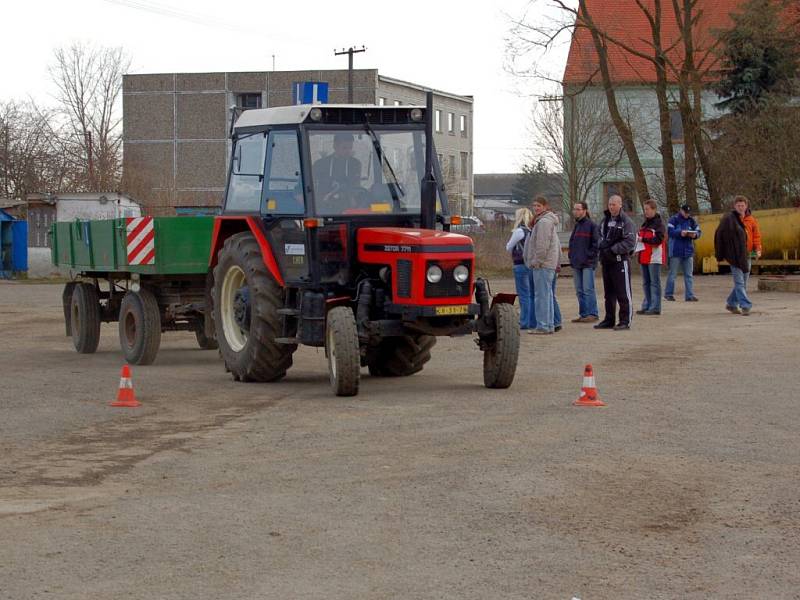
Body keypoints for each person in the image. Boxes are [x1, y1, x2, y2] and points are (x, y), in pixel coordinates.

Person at [594, 194, 636, 330]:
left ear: (620, 205)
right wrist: (603, 247)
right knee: (609, 294)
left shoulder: (626, 221)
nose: (611, 207)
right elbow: (599, 236)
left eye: (614, 204)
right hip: (606, 262)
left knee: (623, 293)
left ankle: (625, 321)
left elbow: (630, 242)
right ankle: (609, 319)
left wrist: (613, 250)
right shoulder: (604, 221)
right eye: (610, 204)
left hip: (620, 261)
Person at [524, 196, 561, 335]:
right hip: (547, 264)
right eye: (534, 205)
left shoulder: (544, 222)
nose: (536, 208)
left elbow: (542, 245)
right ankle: (549, 324)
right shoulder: (545, 221)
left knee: (542, 296)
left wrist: (536, 262)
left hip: (543, 264)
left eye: (539, 205)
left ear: (545, 207)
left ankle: (543, 326)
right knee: (547, 294)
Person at [715, 195, 756, 315]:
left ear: (746, 206)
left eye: (742, 205)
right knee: (739, 282)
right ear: (735, 206)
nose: (741, 207)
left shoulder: (751, 220)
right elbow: (719, 235)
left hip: (747, 255)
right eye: (738, 205)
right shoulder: (729, 219)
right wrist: (721, 253)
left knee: (744, 281)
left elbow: (756, 235)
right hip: (735, 256)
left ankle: (731, 304)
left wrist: (757, 248)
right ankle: (745, 306)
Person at [568, 201, 600, 322]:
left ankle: (593, 313)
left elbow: (596, 244)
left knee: (588, 289)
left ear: (584, 210)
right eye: (574, 209)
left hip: (588, 263)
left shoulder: (591, 225)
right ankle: (584, 314)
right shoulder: (577, 226)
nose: (575, 211)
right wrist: (571, 256)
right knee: (579, 290)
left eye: (578, 209)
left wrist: (589, 256)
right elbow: (572, 242)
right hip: (576, 263)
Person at [505, 208, 536, 330]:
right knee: (531, 294)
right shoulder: (531, 230)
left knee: (523, 295)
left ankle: (524, 321)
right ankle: (532, 320)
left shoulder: (519, 231)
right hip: (530, 264)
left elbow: (508, 246)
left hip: (520, 264)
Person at [635, 198, 666, 315]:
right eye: (645, 209)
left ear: (654, 210)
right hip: (644, 257)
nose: (646, 212)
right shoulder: (645, 223)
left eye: (647, 209)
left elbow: (658, 240)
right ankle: (647, 305)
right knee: (646, 283)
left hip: (654, 257)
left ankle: (655, 307)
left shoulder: (659, 224)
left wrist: (643, 239)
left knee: (654, 283)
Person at [665, 204, 701, 302]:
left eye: (688, 213)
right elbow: (670, 232)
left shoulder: (692, 220)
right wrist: (680, 232)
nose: (687, 214)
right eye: (685, 212)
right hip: (676, 251)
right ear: (681, 210)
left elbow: (698, 231)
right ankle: (668, 294)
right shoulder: (673, 219)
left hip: (688, 251)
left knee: (689, 275)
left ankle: (689, 295)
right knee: (673, 274)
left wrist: (695, 235)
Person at [312, 132, 363, 199]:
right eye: (344, 148)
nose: (348, 151)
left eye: (350, 148)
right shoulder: (320, 164)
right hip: (324, 205)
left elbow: (356, 186)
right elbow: (311, 188)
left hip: (349, 204)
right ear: (335, 146)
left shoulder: (355, 164)